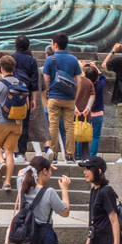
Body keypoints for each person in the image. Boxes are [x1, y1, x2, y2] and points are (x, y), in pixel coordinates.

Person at [0, 55, 27, 192]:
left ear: (1, 68)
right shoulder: (22, 85)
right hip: (17, 123)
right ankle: (7, 182)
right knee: (9, 151)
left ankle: (1, 162)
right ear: (13, 68)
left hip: (1, 121)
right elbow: (26, 105)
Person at [42, 33, 81, 163]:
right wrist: (76, 95)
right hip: (69, 98)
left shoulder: (49, 60)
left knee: (53, 125)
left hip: (54, 97)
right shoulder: (73, 59)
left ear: (56, 44)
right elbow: (79, 80)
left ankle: (53, 156)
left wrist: (46, 93)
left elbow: (46, 79)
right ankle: (70, 155)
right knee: (69, 126)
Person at [76, 62, 106, 159]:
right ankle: (92, 155)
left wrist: (83, 67)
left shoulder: (83, 85)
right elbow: (103, 77)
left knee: (80, 134)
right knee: (95, 137)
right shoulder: (100, 84)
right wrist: (95, 67)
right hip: (98, 114)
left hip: (85, 113)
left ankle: (78, 155)